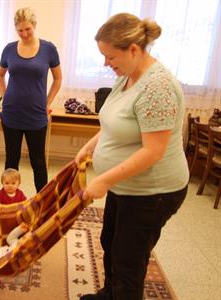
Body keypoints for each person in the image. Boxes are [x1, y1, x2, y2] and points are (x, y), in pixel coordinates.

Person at [75, 13, 189, 300]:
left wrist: (103, 180)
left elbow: (153, 151)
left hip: (152, 191)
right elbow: (116, 121)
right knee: (110, 242)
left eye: (110, 56)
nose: (105, 63)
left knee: (129, 259)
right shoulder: (126, 77)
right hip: (125, 184)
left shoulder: (157, 87)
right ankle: (109, 294)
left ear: (134, 50)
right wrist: (90, 146)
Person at [0, 7, 62, 193]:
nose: (24, 34)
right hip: (11, 114)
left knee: (38, 161)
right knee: (11, 160)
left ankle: (43, 201)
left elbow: (58, 79)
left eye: (28, 29)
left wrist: (47, 102)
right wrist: (4, 95)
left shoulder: (49, 49)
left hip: (36, 115)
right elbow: (0, 76)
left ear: (34, 26)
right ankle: (10, 200)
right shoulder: (9, 49)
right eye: (20, 30)